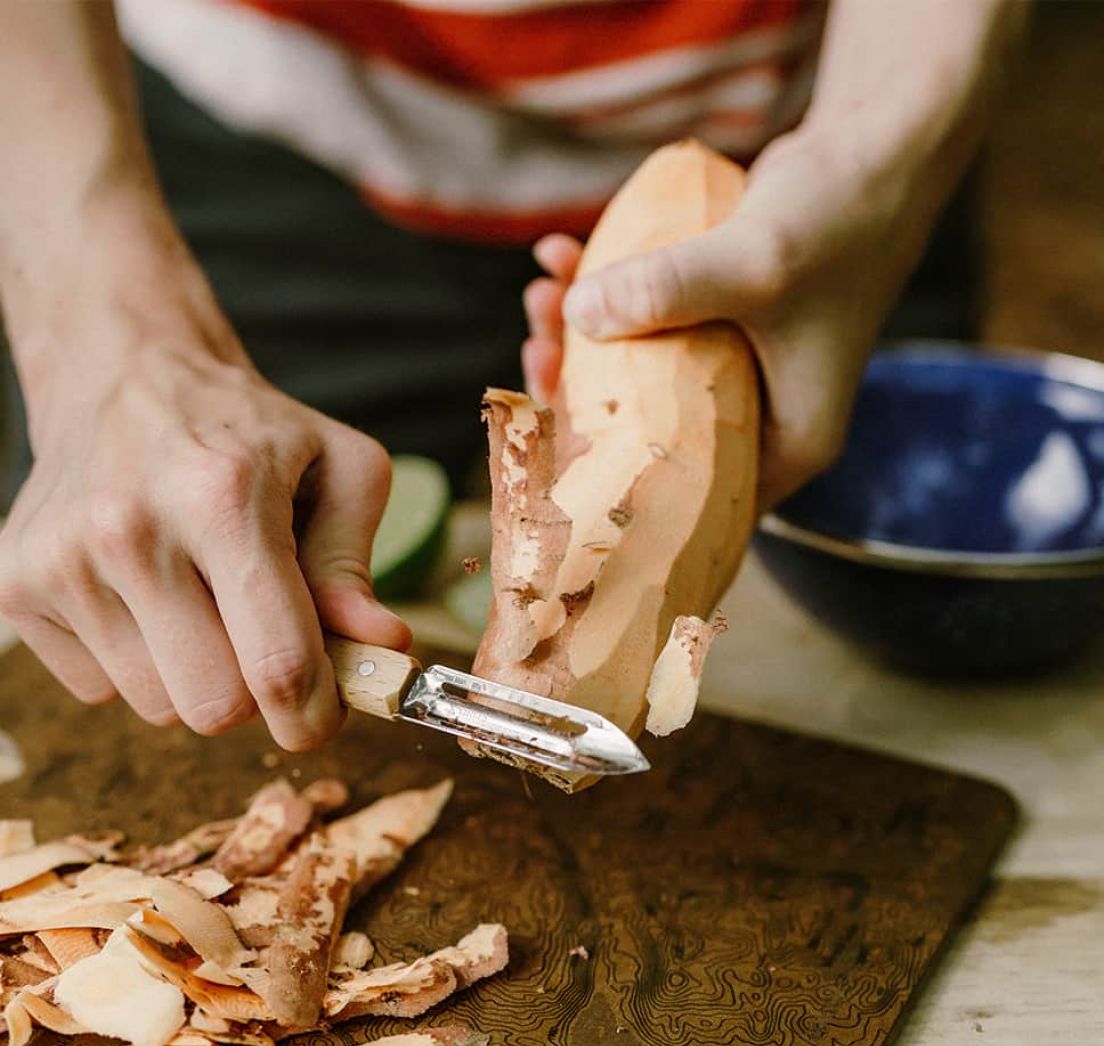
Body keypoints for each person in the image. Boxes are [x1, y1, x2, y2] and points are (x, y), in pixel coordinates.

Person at [0, 0, 1022, 752]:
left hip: (817, 182)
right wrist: (108, 337)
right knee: (179, 605)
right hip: (205, 142)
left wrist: (882, 159)